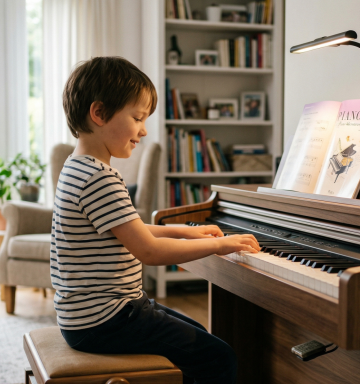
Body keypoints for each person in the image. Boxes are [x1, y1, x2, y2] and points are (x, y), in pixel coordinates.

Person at [55, 56, 260, 384]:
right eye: (137, 117)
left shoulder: (77, 166)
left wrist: (187, 231)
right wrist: (219, 244)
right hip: (106, 320)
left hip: (87, 317)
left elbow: (128, 227)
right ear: (99, 113)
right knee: (218, 356)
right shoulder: (99, 177)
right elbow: (149, 252)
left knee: (198, 333)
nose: (144, 130)